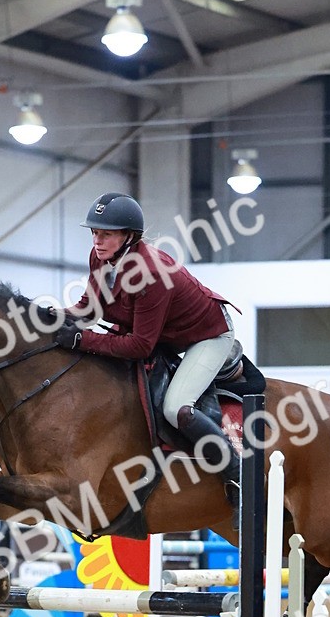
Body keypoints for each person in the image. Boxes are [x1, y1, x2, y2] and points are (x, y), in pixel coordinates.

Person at [56, 192, 241, 500]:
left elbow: (140, 346)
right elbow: (88, 309)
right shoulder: (101, 258)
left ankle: (236, 474)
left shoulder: (151, 272)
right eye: (94, 233)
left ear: (129, 236)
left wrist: (81, 339)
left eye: (106, 234)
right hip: (166, 333)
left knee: (176, 408)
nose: (97, 241)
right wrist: (47, 317)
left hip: (208, 334)